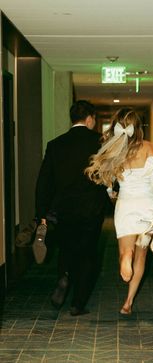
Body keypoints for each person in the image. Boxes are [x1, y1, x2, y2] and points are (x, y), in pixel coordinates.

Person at [85, 107, 153, 315]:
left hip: (125, 205)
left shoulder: (114, 149)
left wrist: (111, 193)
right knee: (141, 258)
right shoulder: (150, 147)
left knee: (126, 251)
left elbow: (109, 181)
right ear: (139, 127)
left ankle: (126, 258)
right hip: (147, 206)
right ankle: (128, 302)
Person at [35, 100, 109, 316]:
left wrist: (41, 214)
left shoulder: (55, 144)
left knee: (66, 248)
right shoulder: (100, 143)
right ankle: (78, 303)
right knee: (87, 253)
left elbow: (44, 181)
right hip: (91, 208)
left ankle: (65, 275)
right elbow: (107, 176)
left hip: (63, 208)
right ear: (89, 119)